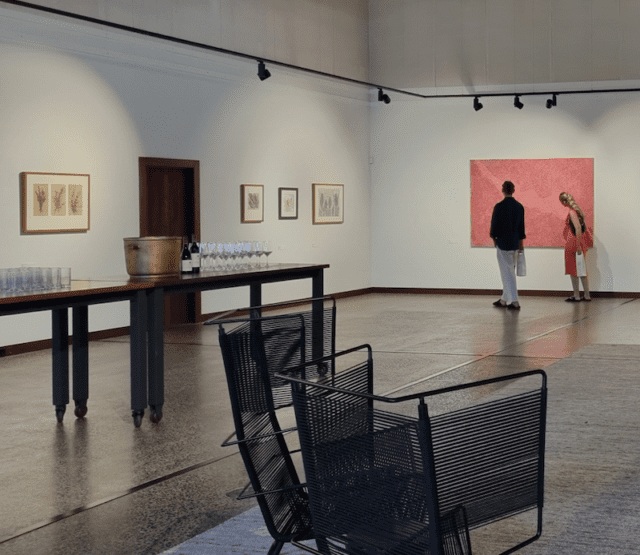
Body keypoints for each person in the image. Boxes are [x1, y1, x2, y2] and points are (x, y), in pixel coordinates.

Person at [490, 180, 526, 310]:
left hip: (503, 244)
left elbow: (494, 225)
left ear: (503, 190)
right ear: (514, 190)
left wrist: (494, 239)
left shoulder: (499, 206)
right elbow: (521, 228)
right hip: (515, 243)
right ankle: (504, 299)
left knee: (507, 273)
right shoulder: (519, 206)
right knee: (508, 272)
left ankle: (515, 301)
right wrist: (521, 244)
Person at [559, 192, 591, 301]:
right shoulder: (577, 212)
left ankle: (577, 295)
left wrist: (578, 246)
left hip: (573, 244)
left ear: (564, 202)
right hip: (578, 243)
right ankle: (586, 295)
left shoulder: (572, 213)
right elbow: (582, 229)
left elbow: (577, 228)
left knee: (573, 270)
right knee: (581, 269)